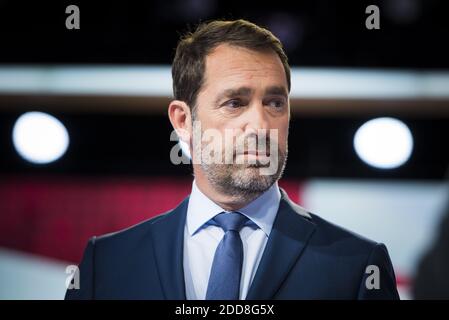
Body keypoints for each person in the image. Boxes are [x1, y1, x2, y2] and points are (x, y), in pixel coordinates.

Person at [65, 19, 399, 300]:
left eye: (274, 103)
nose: (260, 124)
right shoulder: (106, 264)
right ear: (183, 120)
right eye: (235, 103)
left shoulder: (358, 265)